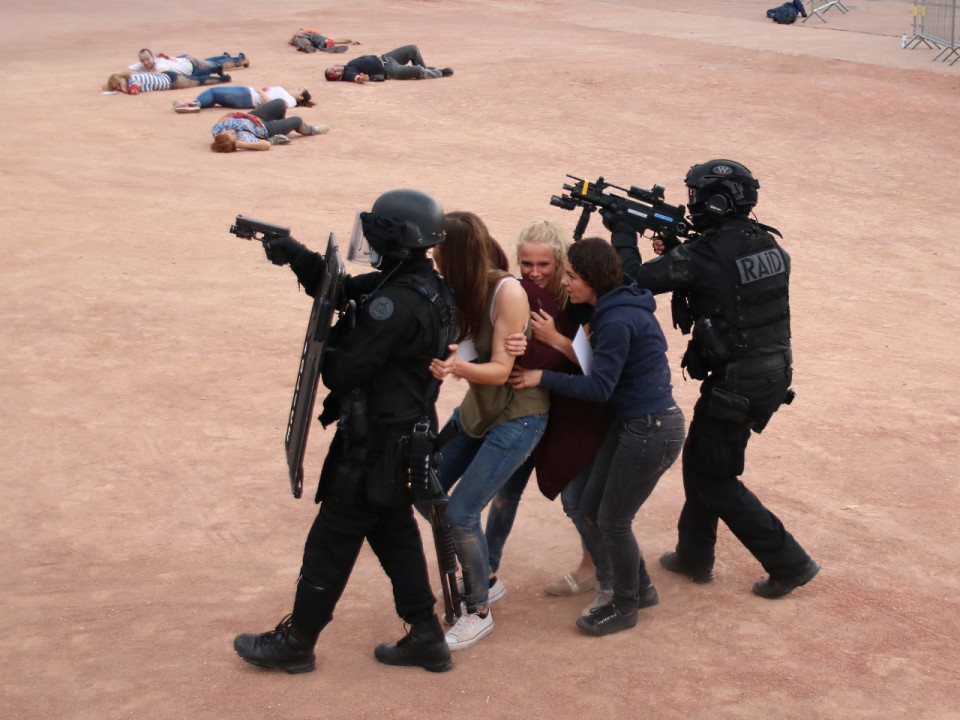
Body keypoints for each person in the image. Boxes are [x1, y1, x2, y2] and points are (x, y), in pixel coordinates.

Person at [233, 189, 457, 675]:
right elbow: (349, 290)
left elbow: (341, 371)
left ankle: (297, 641)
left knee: (332, 538)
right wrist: (296, 255)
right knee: (393, 531)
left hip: (373, 443)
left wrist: (337, 338)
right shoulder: (428, 287)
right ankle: (426, 635)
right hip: (406, 438)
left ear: (396, 243)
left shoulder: (394, 303)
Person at [612, 159, 819, 599]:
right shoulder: (766, 244)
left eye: (697, 197)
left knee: (716, 478)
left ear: (720, 200)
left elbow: (633, 281)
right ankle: (694, 554)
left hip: (737, 383)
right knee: (704, 460)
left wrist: (623, 232)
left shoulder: (705, 252)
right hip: (768, 374)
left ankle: (789, 562)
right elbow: (720, 284)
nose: (692, 205)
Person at [510, 238, 685, 636]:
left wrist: (541, 376)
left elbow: (600, 388)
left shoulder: (617, 319)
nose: (565, 282)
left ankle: (625, 605)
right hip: (636, 426)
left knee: (612, 519)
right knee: (591, 507)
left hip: (650, 429)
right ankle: (640, 588)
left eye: (571, 276)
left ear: (592, 279)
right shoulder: (614, 308)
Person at [426, 211, 548, 650]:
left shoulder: (506, 292)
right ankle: (486, 576)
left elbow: (499, 371)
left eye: (437, 250)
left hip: (518, 418)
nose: (432, 257)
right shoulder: (458, 286)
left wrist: (454, 365)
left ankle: (477, 608)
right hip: (477, 412)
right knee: (426, 488)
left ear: (454, 252)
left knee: (460, 513)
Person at [481, 220, 610, 613]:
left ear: (560, 261)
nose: (534, 272)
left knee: (578, 500)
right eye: (526, 264)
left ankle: (600, 570)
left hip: (576, 412)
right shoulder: (518, 295)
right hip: (528, 410)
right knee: (505, 491)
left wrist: (553, 341)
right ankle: (484, 574)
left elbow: (596, 368)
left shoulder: (582, 297)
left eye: (544, 265)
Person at [209, 98, 328, 153]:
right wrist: (239, 144)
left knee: (280, 103)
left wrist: (247, 116)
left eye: (227, 133)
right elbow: (265, 145)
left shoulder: (218, 130)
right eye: (232, 136)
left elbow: (228, 116)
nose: (231, 131)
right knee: (297, 120)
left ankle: (283, 126)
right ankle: (312, 130)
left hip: (253, 118)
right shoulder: (243, 140)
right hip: (266, 130)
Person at [325, 45, 453, 83]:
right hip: (389, 70)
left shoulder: (348, 64)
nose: (335, 70)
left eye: (332, 68)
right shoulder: (348, 73)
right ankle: (440, 72)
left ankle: (427, 70)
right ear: (336, 78)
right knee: (417, 71)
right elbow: (356, 78)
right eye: (333, 74)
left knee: (413, 49)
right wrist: (361, 79)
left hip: (387, 57)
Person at [172, 86, 314, 113]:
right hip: (248, 93)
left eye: (298, 90)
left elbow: (273, 105)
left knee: (213, 92)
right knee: (215, 96)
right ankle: (195, 104)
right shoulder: (288, 96)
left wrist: (259, 92)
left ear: (300, 97)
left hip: (249, 97)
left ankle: (193, 104)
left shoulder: (291, 101)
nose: (295, 88)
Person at [128, 48, 249, 75]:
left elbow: (160, 72)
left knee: (214, 65)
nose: (145, 63)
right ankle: (224, 56)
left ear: (153, 57)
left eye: (147, 59)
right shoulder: (143, 62)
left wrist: (143, 75)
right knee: (206, 61)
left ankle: (240, 60)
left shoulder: (160, 63)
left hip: (191, 65)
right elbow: (128, 70)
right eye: (142, 61)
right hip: (184, 60)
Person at [104, 70, 230, 94]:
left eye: (118, 86)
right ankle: (215, 69)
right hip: (167, 76)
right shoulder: (133, 77)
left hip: (172, 82)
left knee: (198, 81)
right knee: (193, 77)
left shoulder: (134, 81)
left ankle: (223, 78)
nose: (119, 88)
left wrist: (125, 90)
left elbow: (135, 91)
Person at [289, 29, 359, 53]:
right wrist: (297, 34)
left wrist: (350, 41)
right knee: (302, 38)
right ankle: (306, 47)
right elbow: (291, 42)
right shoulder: (299, 34)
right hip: (303, 37)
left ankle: (329, 47)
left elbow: (336, 40)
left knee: (326, 40)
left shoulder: (315, 33)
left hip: (316, 37)